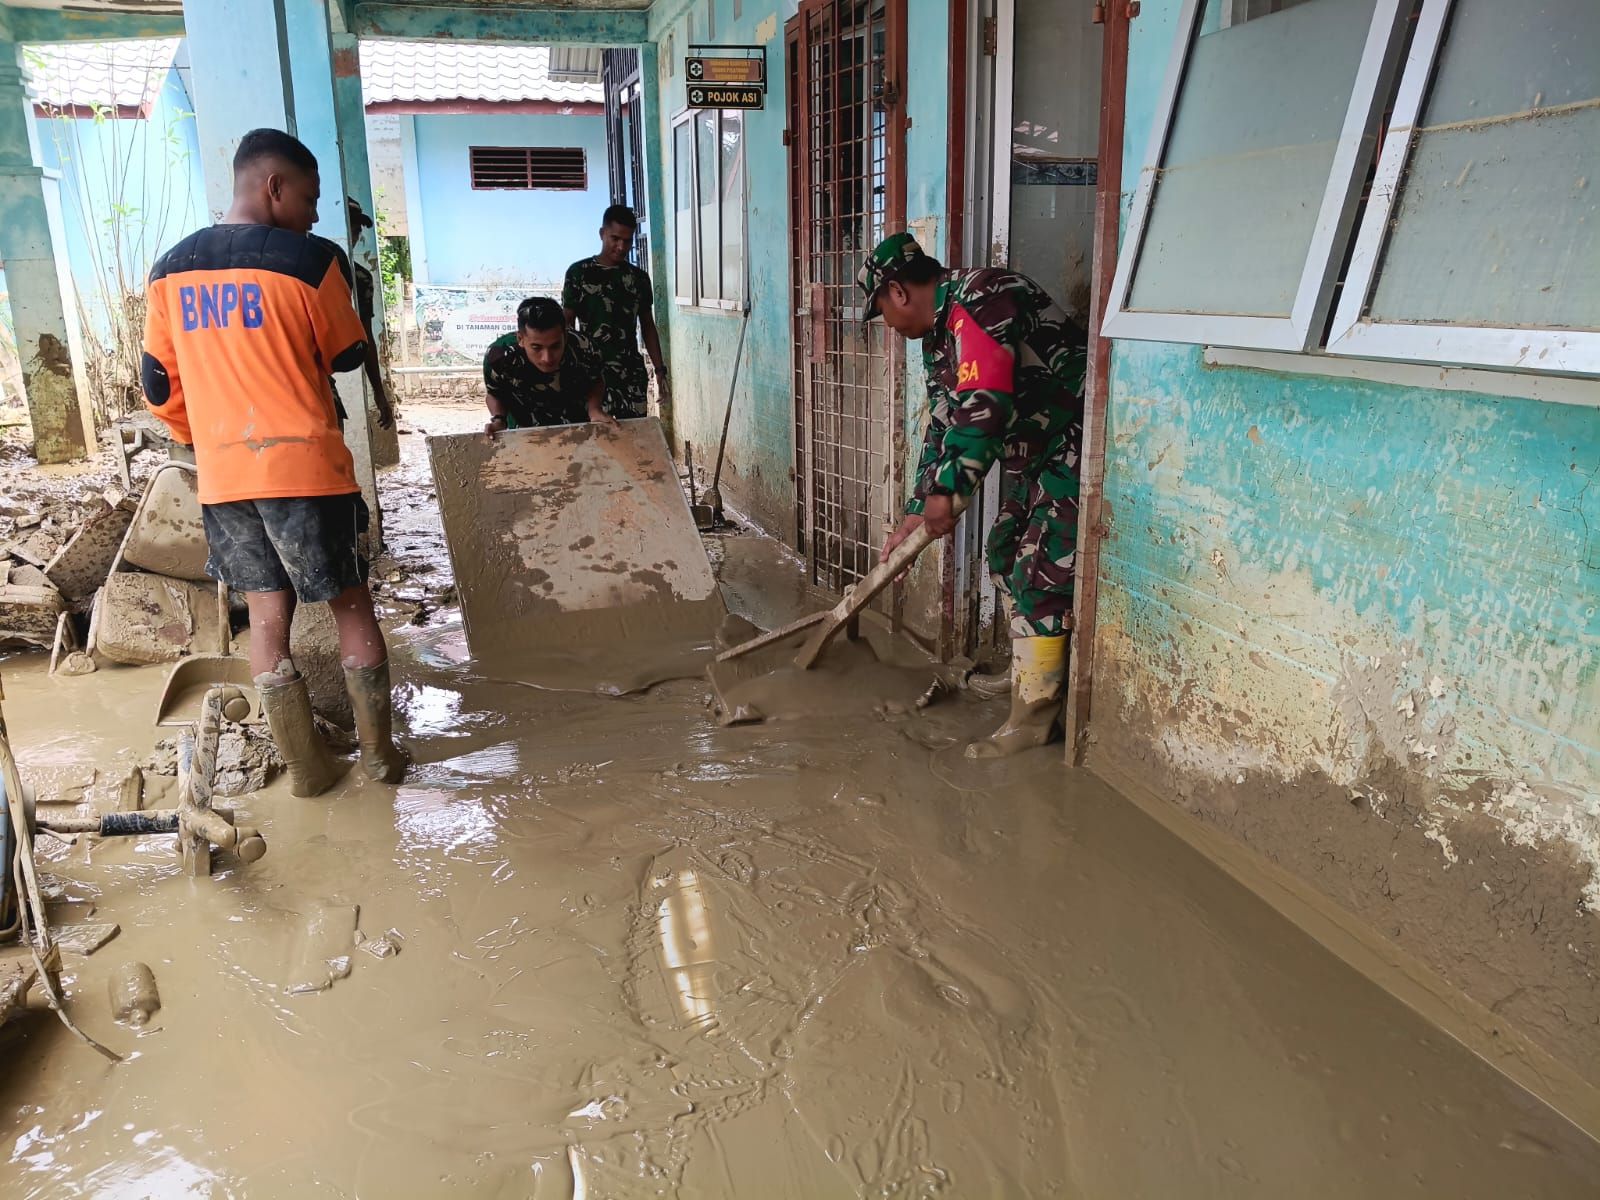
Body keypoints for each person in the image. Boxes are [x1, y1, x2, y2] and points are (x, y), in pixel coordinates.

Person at [141, 128, 407, 795]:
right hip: (306, 470)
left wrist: (204, 438)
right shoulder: (310, 262)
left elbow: (157, 387)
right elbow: (347, 354)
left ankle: (308, 773)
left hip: (226, 479)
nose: (314, 214)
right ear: (274, 187)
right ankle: (380, 761)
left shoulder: (168, 271)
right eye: (310, 198)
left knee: (266, 616)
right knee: (350, 606)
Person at [860, 232, 1087, 759]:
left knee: (1041, 571)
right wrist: (918, 510)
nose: (889, 329)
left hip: (1075, 441)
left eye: (881, 313)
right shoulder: (939, 339)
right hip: (1033, 452)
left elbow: (984, 402)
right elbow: (943, 426)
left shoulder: (982, 297)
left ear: (897, 292)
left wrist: (951, 491)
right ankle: (1026, 671)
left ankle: (1033, 721)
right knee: (1004, 551)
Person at [561, 205, 668, 419]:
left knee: (633, 440)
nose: (621, 246)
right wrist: (569, 370)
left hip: (630, 375)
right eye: (615, 238)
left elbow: (647, 325)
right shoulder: (579, 274)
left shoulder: (638, 279)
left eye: (627, 241)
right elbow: (566, 326)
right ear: (602, 234)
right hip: (591, 375)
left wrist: (659, 370)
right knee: (594, 439)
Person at [481, 297, 614, 433]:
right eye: (536, 348)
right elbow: (495, 393)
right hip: (525, 429)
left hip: (576, 425)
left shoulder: (585, 349)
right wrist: (498, 420)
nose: (547, 358)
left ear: (565, 337)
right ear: (520, 339)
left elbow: (596, 380)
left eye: (555, 346)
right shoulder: (499, 357)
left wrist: (594, 409)